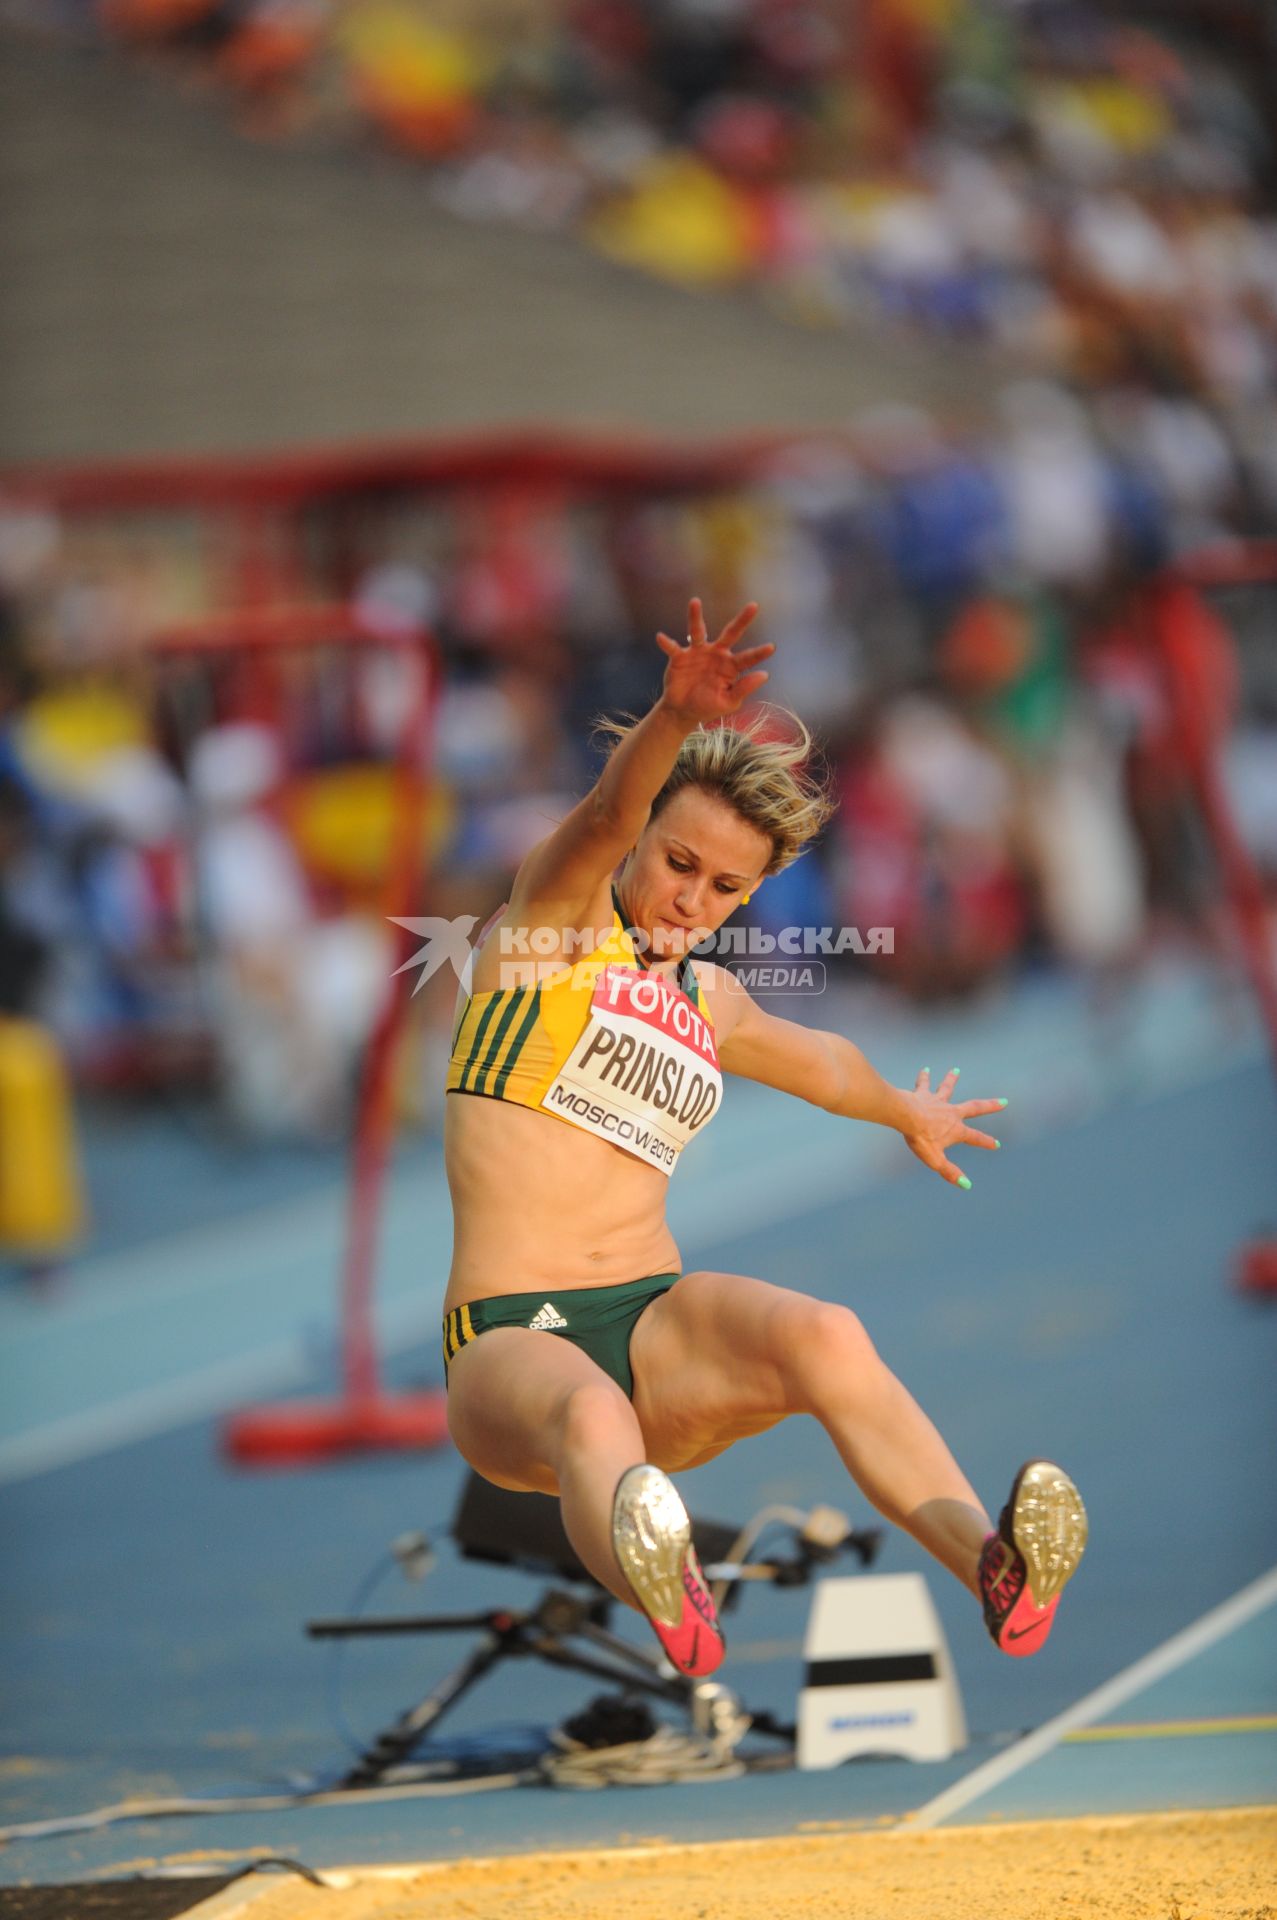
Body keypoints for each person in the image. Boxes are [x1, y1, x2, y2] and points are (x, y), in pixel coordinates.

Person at [442, 598, 1087, 1678]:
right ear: (644, 841)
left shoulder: (712, 1000)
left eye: (724, 886)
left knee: (826, 1335)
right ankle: (672, 1594)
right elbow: (602, 813)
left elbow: (824, 1063)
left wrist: (903, 1109)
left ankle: (994, 1570)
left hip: (653, 1323)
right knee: (592, 1415)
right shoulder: (545, 933)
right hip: (513, 1344)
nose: (691, 898)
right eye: (677, 861)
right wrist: (669, 719)